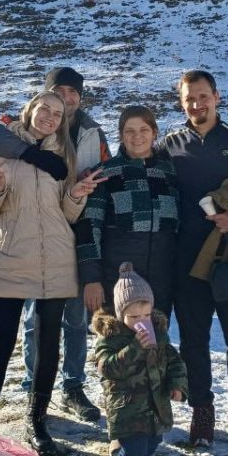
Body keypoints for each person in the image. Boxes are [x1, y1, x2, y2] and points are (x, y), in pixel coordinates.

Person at [0, 90, 103, 456]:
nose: (50, 116)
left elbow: (67, 214)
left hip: (56, 261)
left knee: (48, 345)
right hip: (11, 258)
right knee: (0, 344)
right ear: (29, 111)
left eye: (57, 113)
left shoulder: (64, 154)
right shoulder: (2, 151)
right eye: (44, 108)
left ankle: (36, 420)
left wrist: (76, 195)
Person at [155, 69, 228, 451]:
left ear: (217, 97)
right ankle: (201, 411)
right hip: (187, 264)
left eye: (203, 96)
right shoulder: (169, 146)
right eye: (189, 99)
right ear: (181, 102)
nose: (197, 104)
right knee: (194, 342)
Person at [91, 262, 187, 456]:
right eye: (134, 317)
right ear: (121, 314)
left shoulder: (159, 333)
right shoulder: (111, 338)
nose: (141, 322)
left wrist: (177, 385)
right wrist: (135, 347)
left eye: (146, 315)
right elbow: (107, 368)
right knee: (133, 453)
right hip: (128, 408)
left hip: (156, 406)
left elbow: (174, 361)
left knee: (150, 449)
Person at [74, 105, 179, 316]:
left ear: (154, 132)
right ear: (121, 135)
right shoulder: (105, 172)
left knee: (154, 343)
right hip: (117, 280)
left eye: (144, 130)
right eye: (129, 131)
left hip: (161, 280)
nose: (137, 136)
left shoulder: (169, 171)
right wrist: (91, 278)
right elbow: (88, 227)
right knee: (116, 344)